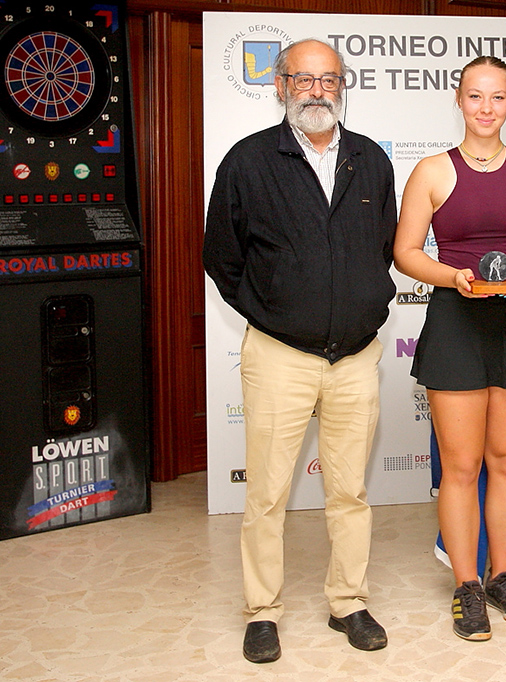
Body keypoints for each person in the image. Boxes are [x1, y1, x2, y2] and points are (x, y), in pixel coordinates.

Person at [203, 38, 396, 663]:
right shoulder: (248, 160)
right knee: (266, 495)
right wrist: (275, 312)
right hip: (280, 355)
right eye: (303, 79)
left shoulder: (370, 160)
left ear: (344, 85)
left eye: (328, 79)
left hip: (357, 358)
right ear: (280, 85)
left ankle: (349, 602)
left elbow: (381, 244)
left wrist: (365, 302)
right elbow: (222, 258)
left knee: (350, 491)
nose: (317, 90)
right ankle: (262, 612)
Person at [393, 56, 506, 642]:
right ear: (459, 101)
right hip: (456, 322)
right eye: (475, 96)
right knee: (461, 468)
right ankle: (467, 584)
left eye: (498, 97)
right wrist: (451, 276)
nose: (486, 108)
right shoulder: (433, 171)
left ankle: (504, 575)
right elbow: (406, 252)